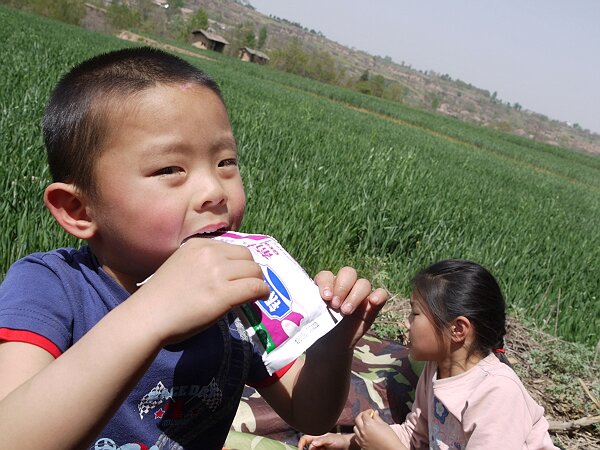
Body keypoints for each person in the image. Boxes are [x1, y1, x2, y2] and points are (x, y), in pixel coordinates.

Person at [0, 46, 388, 450]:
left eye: (225, 162)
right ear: (79, 209)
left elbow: (310, 415)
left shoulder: (242, 301)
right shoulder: (50, 287)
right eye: (169, 169)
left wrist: (330, 348)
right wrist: (153, 311)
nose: (213, 191)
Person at [298, 259, 559, 450]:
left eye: (415, 313)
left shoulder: (497, 393)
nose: (406, 323)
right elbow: (416, 435)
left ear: (458, 329)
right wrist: (349, 442)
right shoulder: (437, 370)